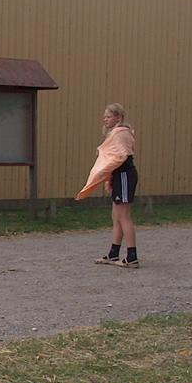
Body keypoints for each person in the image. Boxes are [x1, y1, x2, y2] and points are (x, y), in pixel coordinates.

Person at [76, 103, 139, 268]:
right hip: (118, 176)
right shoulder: (114, 134)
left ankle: (132, 256)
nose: (105, 119)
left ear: (118, 117)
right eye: (104, 117)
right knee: (116, 217)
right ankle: (113, 253)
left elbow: (121, 156)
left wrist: (104, 167)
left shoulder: (121, 134)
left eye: (109, 116)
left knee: (124, 216)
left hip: (125, 175)